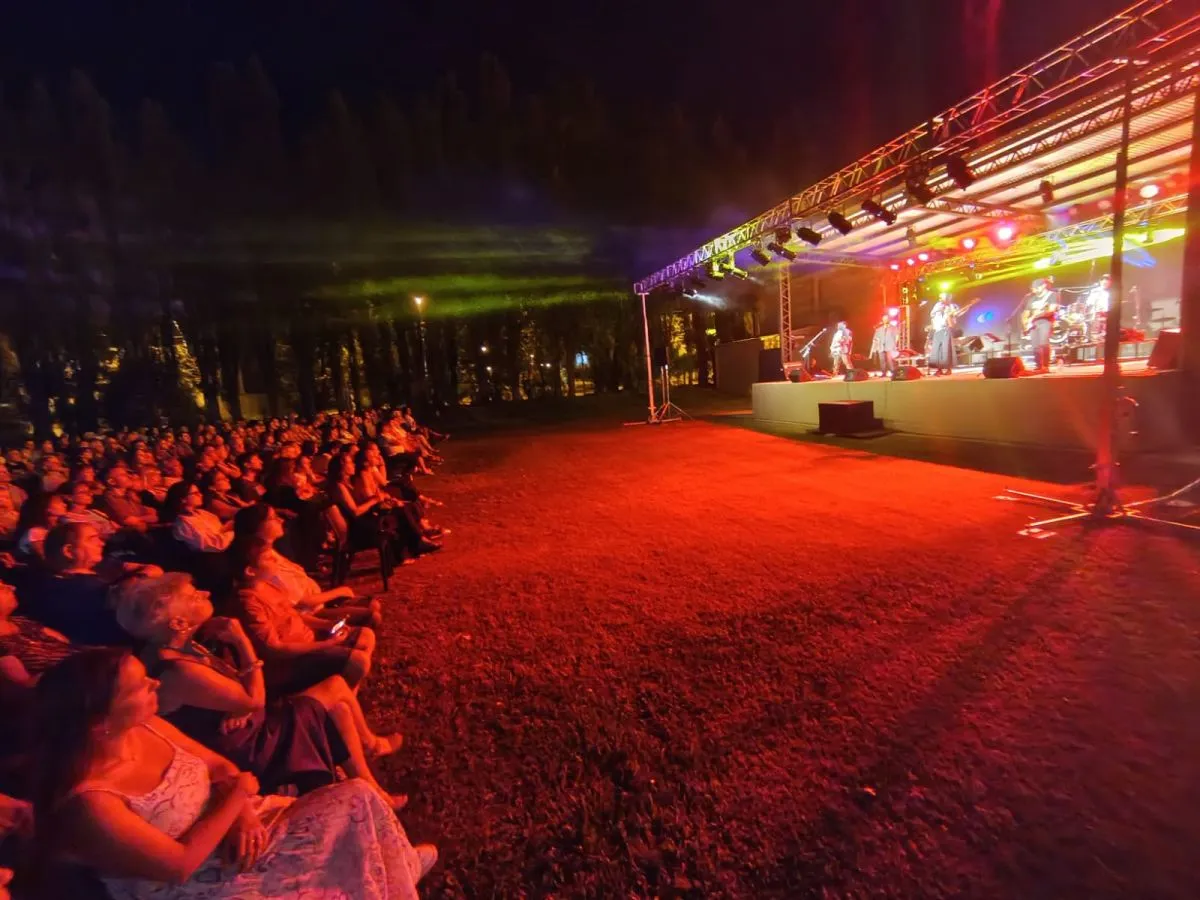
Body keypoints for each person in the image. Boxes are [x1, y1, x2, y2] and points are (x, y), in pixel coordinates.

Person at [30, 648, 436, 900]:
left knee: (355, 795)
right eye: (139, 687)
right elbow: (178, 865)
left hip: (239, 829)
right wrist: (237, 797)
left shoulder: (146, 726)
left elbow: (221, 766)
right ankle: (390, 865)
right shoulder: (90, 802)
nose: (156, 683)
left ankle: (392, 861)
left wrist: (240, 812)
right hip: (203, 883)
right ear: (100, 723)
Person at [111, 574, 405, 806]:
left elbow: (237, 691)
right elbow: (255, 698)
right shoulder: (177, 670)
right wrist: (242, 643)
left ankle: (370, 785)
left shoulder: (177, 644)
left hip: (247, 725)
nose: (205, 593)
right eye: (193, 596)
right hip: (247, 747)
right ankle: (369, 753)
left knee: (336, 705)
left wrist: (237, 703)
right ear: (178, 622)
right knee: (335, 687)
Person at [1022, 278, 1059, 373]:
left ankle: (1045, 366)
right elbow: (1026, 313)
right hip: (1033, 324)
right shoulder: (1032, 298)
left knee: (1044, 343)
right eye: (1032, 288)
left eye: (1035, 288)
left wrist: (1036, 315)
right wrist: (1025, 323)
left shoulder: (1052, 295)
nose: (1033, 290)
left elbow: (1051, 310)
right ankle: (1039, 366)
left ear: (1043, 286)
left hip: (1045, 321)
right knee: (1035, 346)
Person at [927, 293, 959, 376]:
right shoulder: (937, 305)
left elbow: (955, 316)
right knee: (937, 350)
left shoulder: (952, 306)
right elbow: (932, 315)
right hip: (937, 329)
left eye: (942, 298)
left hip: (945, 329)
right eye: (940, 298)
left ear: (947, 299)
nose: (940, 299)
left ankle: (948, 369)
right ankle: (939, 369)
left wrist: (949, 313)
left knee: (946, 350)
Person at [869, 313, 899, 378]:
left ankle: (893, 372)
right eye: (884, 318)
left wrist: (895, 344)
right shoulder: (879, 329)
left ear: (889, 319)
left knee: (889, 360)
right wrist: (875, 347)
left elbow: (897, 336)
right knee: (882, 360)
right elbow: (875, 338)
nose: (885, 320)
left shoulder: (893, 328)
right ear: (882, 319)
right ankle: (883, 372)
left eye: (886, 318)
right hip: (881, 346)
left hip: (890, 346)